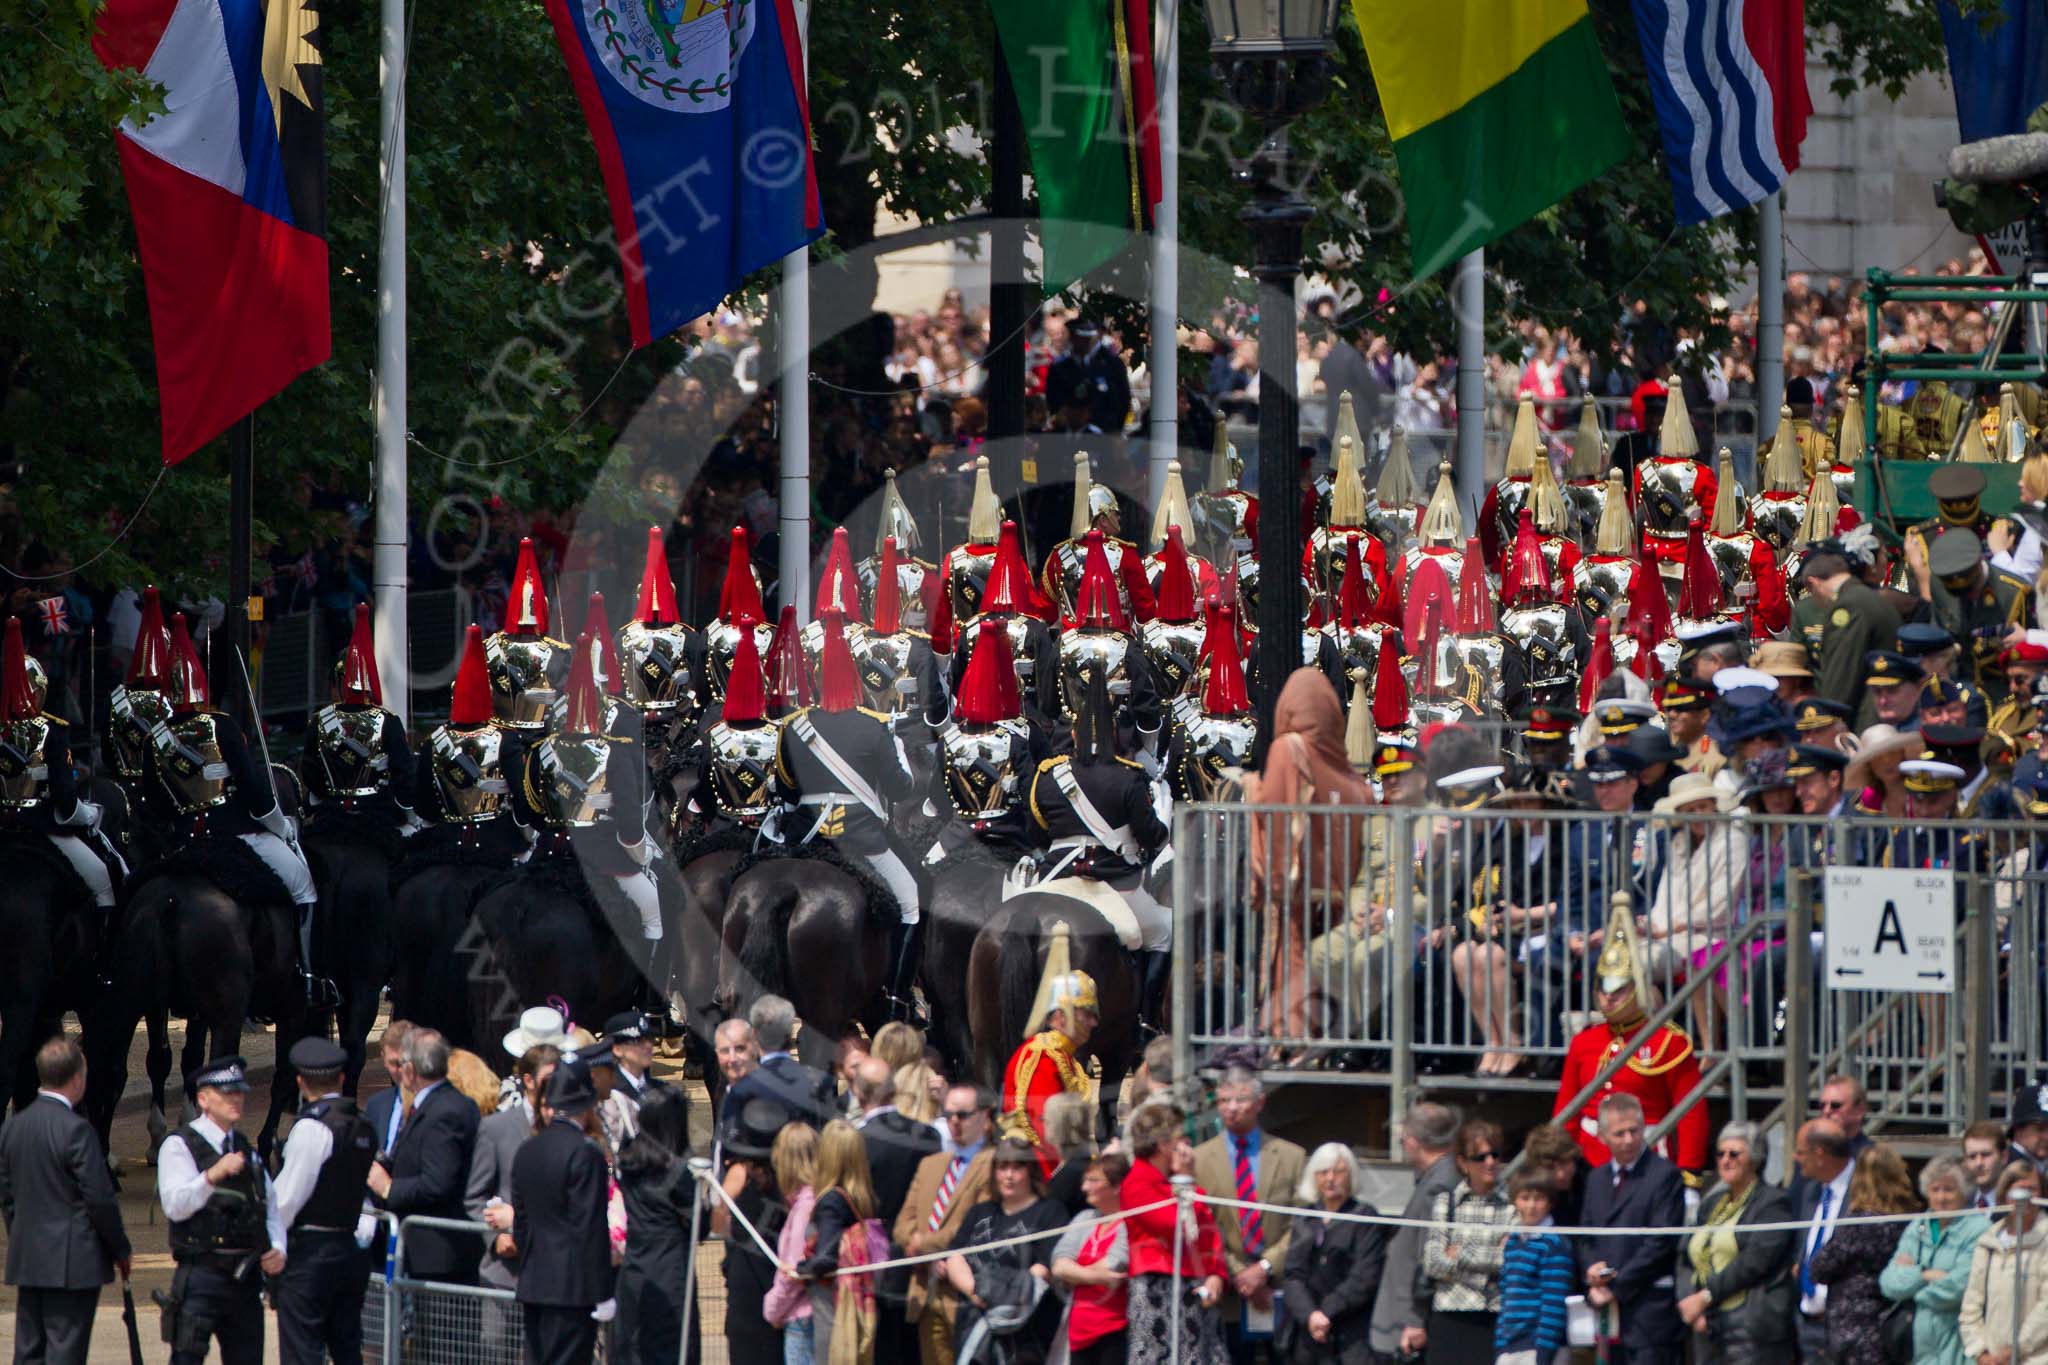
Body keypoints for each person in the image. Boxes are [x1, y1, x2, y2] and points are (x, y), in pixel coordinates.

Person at [1245, 667, 1370, 1045]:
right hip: (1339, 899)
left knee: (1293, 963)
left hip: (1296, 892)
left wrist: (1250, 788)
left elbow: (1277, 812)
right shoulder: (1354, 780)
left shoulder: (1289, 750)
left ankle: (1292, 1039)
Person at [0, 1037, 129, 1365]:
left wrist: (23, 1236)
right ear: (76, 1078)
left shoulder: (13, 1128)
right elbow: (99, 1199)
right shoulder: (77, 1130)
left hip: (29, 1257)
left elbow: (8, 1195)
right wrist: (119, 1248)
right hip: (74, 1261)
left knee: (29, 1351)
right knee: (65, 1351)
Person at [155, 1054, 285, 1365]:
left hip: (245, 1278)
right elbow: (175, 1205)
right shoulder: (180, 1145)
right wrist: (211, 1176)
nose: (236, 1099)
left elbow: (270, 1207)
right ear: (203, 1099)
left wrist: (277, 1247)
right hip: (202, 1273)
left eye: (239, 1092)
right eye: (227, 1093)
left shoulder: (244, 1149)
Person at [270, 1037, 378, 1365]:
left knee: (303, 1351)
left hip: (311, 1255)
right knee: (346, 1348)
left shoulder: (312, 1128)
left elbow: (287, 1200)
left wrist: (269, 1243)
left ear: (301, 1082)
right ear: (342, 1079)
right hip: (350, 1249)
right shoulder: (362, 1125)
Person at [1193, 1065, 1307, 1363]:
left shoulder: (1292, 1157)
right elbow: (1201, 1225)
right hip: (1227, 1293)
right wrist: (1239, 1272)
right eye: (1224, 1101)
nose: (1232, 1109)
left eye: (1240, 1100)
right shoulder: (1200, 1159)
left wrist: (1265, 1268)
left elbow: (1302, 1221)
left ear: (1259, 1103)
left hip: (1279, 1291)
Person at [512, 1052, 615, 1365]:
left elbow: (522, 1224)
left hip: (533, 1284)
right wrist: (602, 1291)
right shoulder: (586, 1153)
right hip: (573, 1290)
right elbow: (590, 1227)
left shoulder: (527, 1150)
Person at [1577, 1094, 1686, 1365]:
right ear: (1602, 1136)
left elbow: (1660, 1243)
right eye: (1619, 1133)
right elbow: (1585, 1235)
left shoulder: (1665, 1175)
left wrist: (1616, 1284)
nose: (1628, 1139)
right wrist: (1592, 1269)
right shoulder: (1596, 1179)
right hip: (1605, 1312)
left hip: (1648, 1316)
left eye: (1634, 1131)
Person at [367, 1027, 482, 1284]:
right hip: (424, 1254)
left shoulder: (445, 1112)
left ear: (411, 1069)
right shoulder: (442, 1103)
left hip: (439, 1258)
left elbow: (437, 1182)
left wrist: (388, 1187)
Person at [1678, 1121, 1797, 1365]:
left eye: (1734, 1154)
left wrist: (1705, 1297)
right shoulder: (1710, 1205)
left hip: (1751, 1327)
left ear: (1755, 1158)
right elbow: (1685, 1256)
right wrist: (1691, 1302)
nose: (1725, 1160)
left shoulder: (1773, 1204)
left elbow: (1754, 1262)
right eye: (1720, 1154)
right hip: (1707, 1325)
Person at [896, 1084, 999, 1365]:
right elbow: (903, 1224)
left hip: (967, 1291)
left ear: (984, 1117)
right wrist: (925, 1256)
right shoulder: (931, 1164)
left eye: (963, 1115)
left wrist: (926, 1245)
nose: (954, 1121)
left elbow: (978, 1222)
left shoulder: (996, 1165)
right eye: (949, 1114)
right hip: (926, 1290)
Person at [942, 1133, 1067, 1364]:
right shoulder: (980, 1212)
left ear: (1030, 1171)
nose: (1009, 1176)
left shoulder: (1050, 1212)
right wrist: (975, 1292)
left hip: (1027, 1329)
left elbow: (1046, 1266)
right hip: (975, 1320)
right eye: (1002, 1167)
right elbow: (955, 1255)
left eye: (1017, 1167)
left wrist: (1004, 1297)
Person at [1121, 1101, 1227, 1365]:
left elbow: (1208, 1232)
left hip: (1195, 1288)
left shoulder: (1171, 1183)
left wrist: (1216, 1272)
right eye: (1180, 1137)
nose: (1186, 1144)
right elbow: (1178, 1228)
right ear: (1161, 1143)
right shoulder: (1137, 1183)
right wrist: (1186, 1180)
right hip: (1159, 1290)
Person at [468, 1042, 558, 1344]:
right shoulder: (496, 1128)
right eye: (549, 1079)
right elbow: (475, 1195)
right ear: (529, 1080)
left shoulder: (569, 1127)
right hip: (504, 1271)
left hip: (554, 1271)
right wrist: (495, 1238)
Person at [852, 1056, 941, 1364]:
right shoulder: (929, 1136)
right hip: (922, 1252)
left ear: (857, 1093)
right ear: (893, 1092)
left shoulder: (856, 1142)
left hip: (870, 1258)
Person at [614, 1085, 703, 1365]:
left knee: (634, 1347)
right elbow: (698, 1225)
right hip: (672, 1273)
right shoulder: (677, 1173)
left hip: (634, 1268)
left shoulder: (628, 1163)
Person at [1369, 1102, 1463, 1361]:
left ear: (1411, 1141)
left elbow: (1427, 1259)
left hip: (1409, 1323)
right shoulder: (1436, 1176)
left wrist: (1414, 1319)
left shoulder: (1440, 1184)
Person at [1277, 1142, 1385, 1365]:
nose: (1330, 1178)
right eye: (1323, 1172)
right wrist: (1310, 1315)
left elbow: (1365, 1276)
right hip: (1307, 1337)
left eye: (1338, 1171)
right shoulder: (1305, 1217)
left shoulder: (1365, 1217)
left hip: (1351, 1335)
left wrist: (1326, 1312)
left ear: (1350, 1175)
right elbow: (1292, 1274)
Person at [1420, 1119, 1515, 1364]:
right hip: (1449, 1317)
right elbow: (1432, 1263)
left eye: (1495, 1155)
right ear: (1463, 1163)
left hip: (1493, 1316)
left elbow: (1512, 1262)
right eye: (1480, 1157)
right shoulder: (1446, 1202)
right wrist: (1490, 1260)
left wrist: (1458, 1255)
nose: (1491, 1163)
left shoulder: (1513, 1203)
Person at [1879, 1154, 1989, 1365]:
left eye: (1949, 1189)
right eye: (1935, 1189)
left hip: (1957, 1346)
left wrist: (1910, 1287)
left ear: (1964, 1192)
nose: (1941, 1197)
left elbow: (1958, 1289)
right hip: (1914, 1350)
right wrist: (1925, 1275)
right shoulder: (1918, 1226)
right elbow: (1888, 1284)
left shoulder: (1978, 1229)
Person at [793, 1119, 886, 1364]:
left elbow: (825, 1258)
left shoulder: (831, 1201)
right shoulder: (865, 1196)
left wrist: (798, 1270)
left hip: (831, 1302)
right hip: (861, 1296)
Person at [717, 1098, 793, 1365]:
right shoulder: (791, 1174)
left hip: (746, 1272)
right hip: (782, 1274)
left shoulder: (739, 1173)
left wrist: (735, 1235)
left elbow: (717, 1218)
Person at [1000, 949, 1097, 1153]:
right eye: (1085, 1014)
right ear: (1061, 1016)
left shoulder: (1065, 1056)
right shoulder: (1044, 1056)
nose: (1093, 1022)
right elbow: (1040, 1131)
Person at [1959, 1161, 2048, 1365]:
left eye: (2032, 1189)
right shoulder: (1988, 1241)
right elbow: (1971, 1302)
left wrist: (2013, 1351)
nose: (2025, 1197)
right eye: (2018, 1190)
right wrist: (1980, 1352)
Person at [1049, 1152, 1132, 1365]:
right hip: (1078, 1333)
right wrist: (1094, 1276)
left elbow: (1114, 1265)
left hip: (1114, 1331)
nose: (1085, 1187)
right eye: (1086, 1180)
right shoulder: (1083, 1218)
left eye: (1093, 1181)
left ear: (1117, 1186)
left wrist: (1074, 1274)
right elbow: (1058, 1264)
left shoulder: (1130, 1223)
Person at [1791, 1118, 1857, 1365]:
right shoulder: (1808, 1189)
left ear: (1819, 1154)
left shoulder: (1863, 1190)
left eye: (1800, 1152)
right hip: (1808, 1324)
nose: (1796, 1159)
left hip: (1846, 1325)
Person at [1494, 1170, 1573, 1365]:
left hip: (1539, 1348)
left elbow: (1553, 1304)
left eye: (1539, 1199)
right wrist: (1501, 1345)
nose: (1531, 1206)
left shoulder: (1553, 1244)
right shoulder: (1512, 1242)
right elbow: (1506, 1296)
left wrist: (1543, 1354)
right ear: (1515, 1201)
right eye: (1525, 1198)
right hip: (1510, 1347)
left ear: (1550, 1203)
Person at [723, 994, 837, 1130]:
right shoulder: (824, 1083)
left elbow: (728, 1144)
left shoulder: (739, 1090)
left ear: (753, 1035)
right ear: (791, 1032)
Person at [764, 1123, 821, 1364]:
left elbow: (795, 1272)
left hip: (801, 1320)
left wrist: (772, 1308)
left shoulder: (804, 1209)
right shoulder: (816, 1198)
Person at [1040, 1092, 1095, 1215]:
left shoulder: (1071, 1173)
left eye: (1044, 1119)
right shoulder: (1080, 1163)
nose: (1043, 1123)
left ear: (1056, 1126)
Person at [1819, 1074, 1874, 1154]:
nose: (1826, 1111)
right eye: (1822, 1105)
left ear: (1859, 1110)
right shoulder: (1811, 1154)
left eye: (1835, 1105)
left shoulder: (1870, 1158)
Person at [1965, 1120, 2008, 1210]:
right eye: (1972, 1156)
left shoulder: (2016, 1203)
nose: (1979, 1163)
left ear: (2004, 1157)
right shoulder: (1960, 1204)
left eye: (1986, 1154)